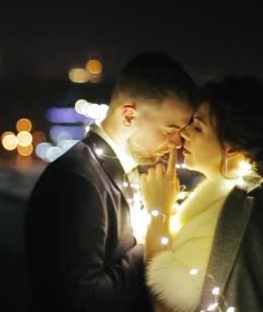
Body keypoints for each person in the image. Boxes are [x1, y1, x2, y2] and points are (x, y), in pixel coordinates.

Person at [140, 77, 263, 312]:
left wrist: (158, 212)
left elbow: (165, 305)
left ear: (232, 147)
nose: (185, 134)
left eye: (198, 127)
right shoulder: (256, 199)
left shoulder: (235, 211)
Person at [24, 52, 196, 311]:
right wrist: (152, 238)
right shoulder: (81, 182)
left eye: (181, 133)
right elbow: (82, 301)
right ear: (128, 116)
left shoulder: (115, 170)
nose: (176, 144)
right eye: (170, 130)